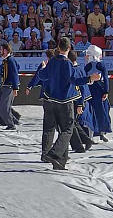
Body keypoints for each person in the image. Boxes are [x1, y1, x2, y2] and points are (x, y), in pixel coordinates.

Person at [29, 37, 82, 170]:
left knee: (49, 128)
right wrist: (90, 79)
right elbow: (74, 80)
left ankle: (57, 160)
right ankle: (54, 153)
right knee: (67, 130)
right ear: (69, 48)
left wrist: (43, 68)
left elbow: (42, 75)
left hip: (50, 99)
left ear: (58, 47)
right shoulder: (67, 63)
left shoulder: (52, 61)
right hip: (64, 101)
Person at [83, 45, 112, 140]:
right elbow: (106, 79)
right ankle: (102, 132)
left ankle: (94, 132)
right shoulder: (101, 65)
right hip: (100, 90)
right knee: (103, 111)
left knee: (92, 112)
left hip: (91, 90)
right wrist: (106, 91)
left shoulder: (87, 66)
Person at [0, 42, 21, 129]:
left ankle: (11, 124)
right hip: (4, 85)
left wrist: (15, 87)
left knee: (4, 107)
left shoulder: (11, 60)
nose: (0, 51)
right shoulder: (5, 60)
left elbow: (14, 73)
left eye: (1, 50)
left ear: (5, 50)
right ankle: (14, 120)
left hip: (9, 86)